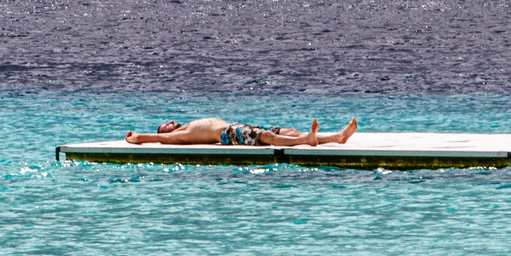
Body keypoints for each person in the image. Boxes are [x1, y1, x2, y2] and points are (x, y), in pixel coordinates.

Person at [125, 116, 358, 146]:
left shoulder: (186, 125)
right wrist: (137, 137)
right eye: (164, 123)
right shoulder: (173, 137)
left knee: (289, 130)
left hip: (238, 126)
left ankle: (338, 137)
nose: (169, 121)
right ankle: (309, 139)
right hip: (228, 133)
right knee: (268, 138)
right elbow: (153, 138)